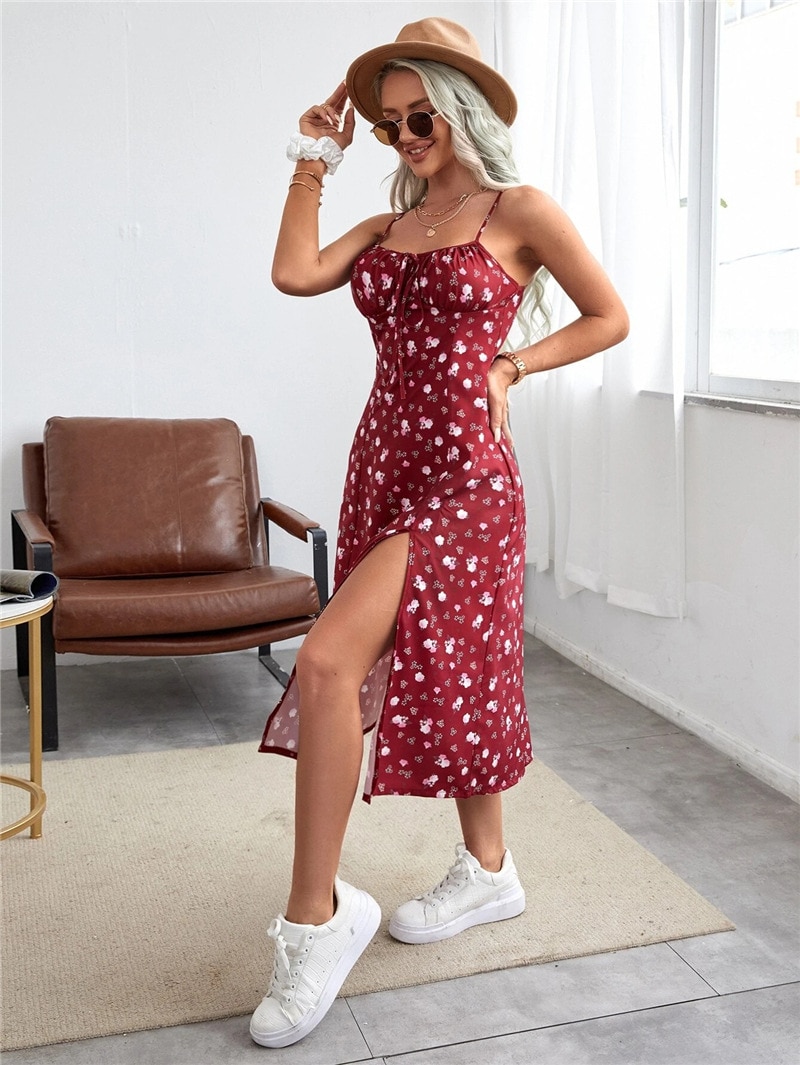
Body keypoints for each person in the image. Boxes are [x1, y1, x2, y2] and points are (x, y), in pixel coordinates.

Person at [250, 17, 629, 1049]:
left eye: (421, 117)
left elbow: (608, 316)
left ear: (460, 111)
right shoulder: (386, 226)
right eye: (389, 125)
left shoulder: (517, 209)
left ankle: (313, 922)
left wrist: (513, 364)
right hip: (385, 466)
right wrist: (313, 156)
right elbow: (293, 272)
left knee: (327, 662)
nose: (406, 137)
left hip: (468, 479)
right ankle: (489, 868)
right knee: (456, 661)